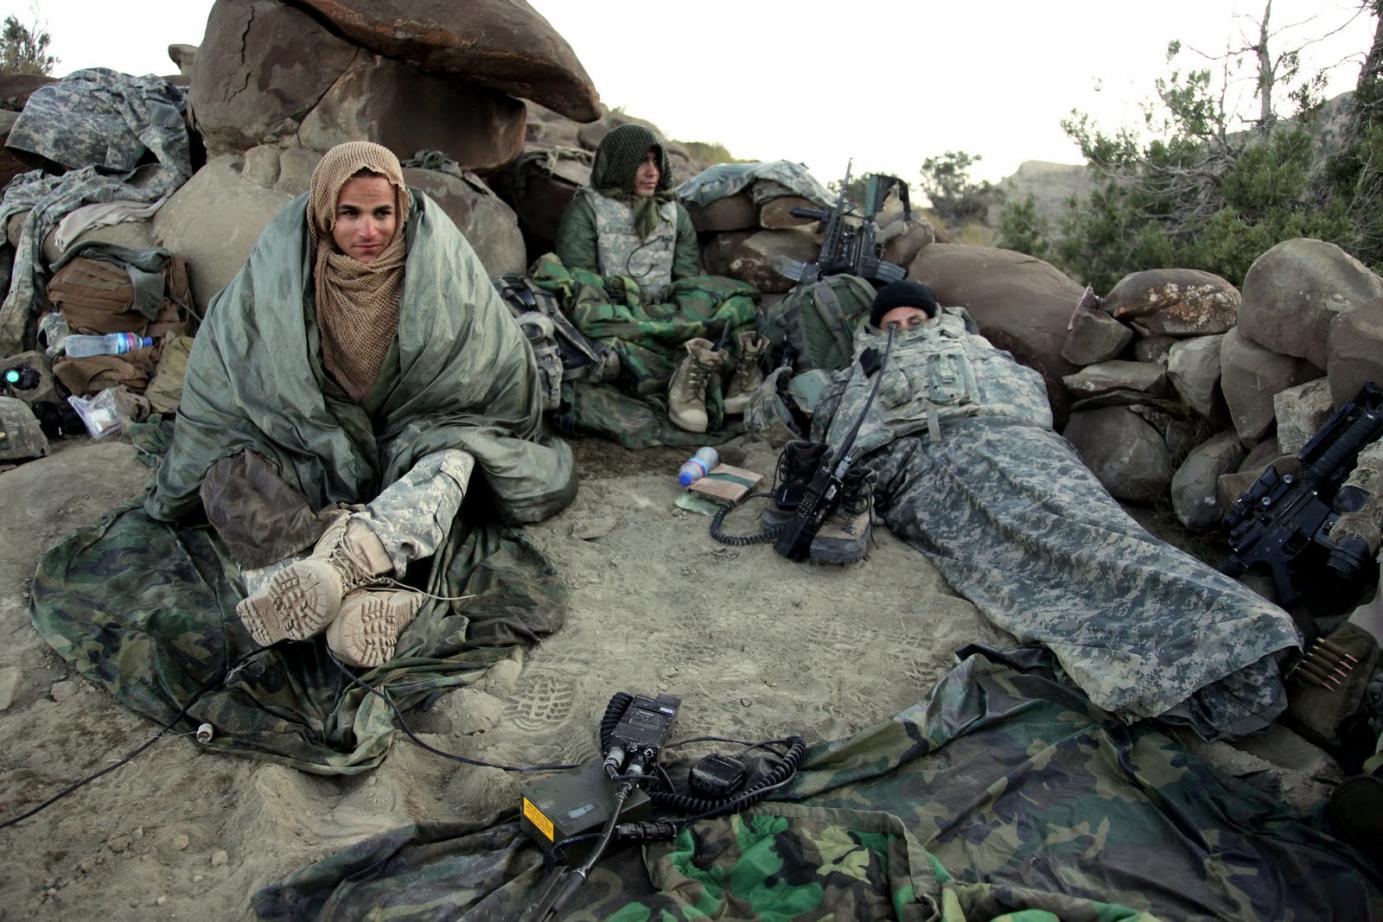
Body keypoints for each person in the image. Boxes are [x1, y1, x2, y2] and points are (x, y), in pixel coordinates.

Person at [144, 141, 577, 668]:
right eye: (350, 213)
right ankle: (340, 605)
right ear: (325, 213)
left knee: (457, 456)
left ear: (402, 210)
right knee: (226, 476)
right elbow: (219, 392)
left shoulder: (443, 272)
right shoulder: (272, 278)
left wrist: (442, 431)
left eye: (381, 213)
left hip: (404, 448)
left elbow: (495, 369)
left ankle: (353, 560)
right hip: (298, 450)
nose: (368, 231)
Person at [810, 279, 1302, 740]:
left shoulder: (979, 350)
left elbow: (1025, 394)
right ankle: (1199, 660)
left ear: (933, 318)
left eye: (914, 320)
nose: (905, 331)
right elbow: (835, 437)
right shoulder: (858, 374)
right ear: (875, 331)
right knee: (1020, 565)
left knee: (1095, 530)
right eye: (892, 325)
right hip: (929, 468)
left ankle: (1239, 626)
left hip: (1023, 446)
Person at [553, 123, 764, 433]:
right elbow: (579, 276)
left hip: (665, 310)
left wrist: (674, 309)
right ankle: (685, 371)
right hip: (613, 310)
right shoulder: (589, 207)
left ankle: (721, 373)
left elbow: (686, 280)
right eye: (641, 162)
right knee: (591, 324)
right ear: (619, 164)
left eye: (655, 161)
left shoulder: (674, 214)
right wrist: (626, 297)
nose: (652, 172)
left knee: (737, 302)